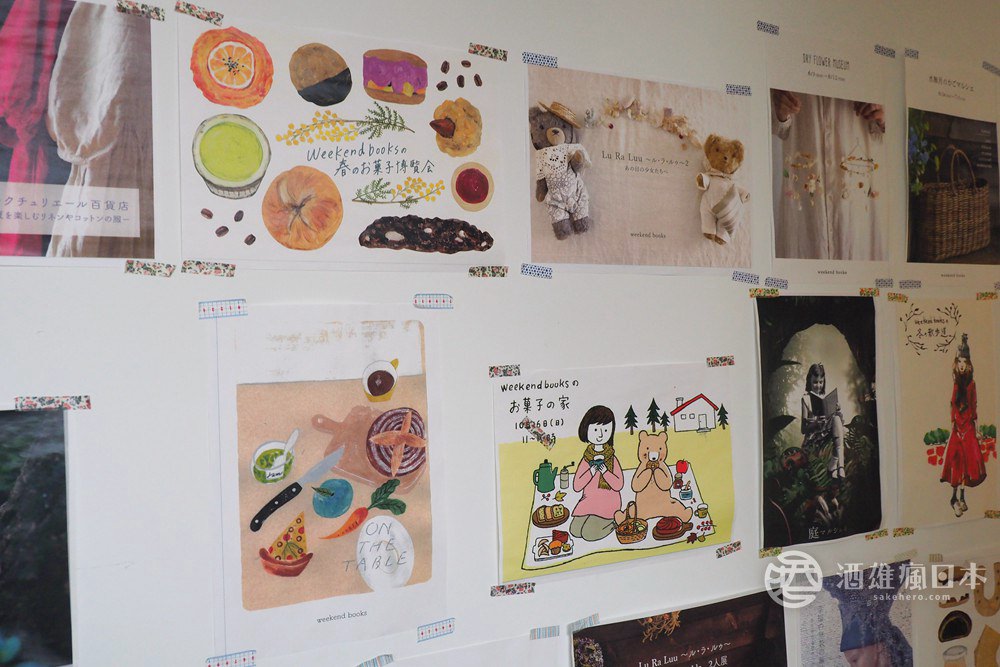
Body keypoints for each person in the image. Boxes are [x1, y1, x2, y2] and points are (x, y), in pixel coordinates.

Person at [771, 89, 886, 260]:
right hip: (806, 204)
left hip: (855, 205)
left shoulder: (874, 74)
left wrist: (884, 113)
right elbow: (777, 128)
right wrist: (779, 110)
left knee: (857, 262)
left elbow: (887, 136)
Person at [941, 334, 985, 517]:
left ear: (968, 364)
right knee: (956, 462)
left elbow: (974, 405)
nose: (961, 365)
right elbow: (952, 404)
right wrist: (953, 427)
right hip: (958, 428)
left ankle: (962, 497)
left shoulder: (972, 384)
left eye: (964, 362)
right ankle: (953, 498)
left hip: (969, 426)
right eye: (959, 361)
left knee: (968, 463)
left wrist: (977, 429)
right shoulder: (956, 383)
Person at [570, 405, 623, 542]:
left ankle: (615, 522)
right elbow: (577, 486)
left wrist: (605, 471)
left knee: (589, 534)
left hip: (608, 503)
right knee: (575, 530)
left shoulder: (611, 458)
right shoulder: (587, 458)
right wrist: (592, 471)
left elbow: (618, 484)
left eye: (605, 430)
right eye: (595, 430)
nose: (600, 435)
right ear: (586, 430)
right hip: (589, 501)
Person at [801, 363, 847, 480]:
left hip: (826, 432)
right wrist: (815, 423)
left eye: (821, 382)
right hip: (814, 437)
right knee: (836, 423)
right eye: (815, 382)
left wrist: (837, 410)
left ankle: (840, 466)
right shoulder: (806, 399)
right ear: (809, 381)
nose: (818, 386)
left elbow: (835, 419)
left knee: (836, 418)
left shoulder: (825, 398)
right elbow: (803, 429)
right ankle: (834, 466)